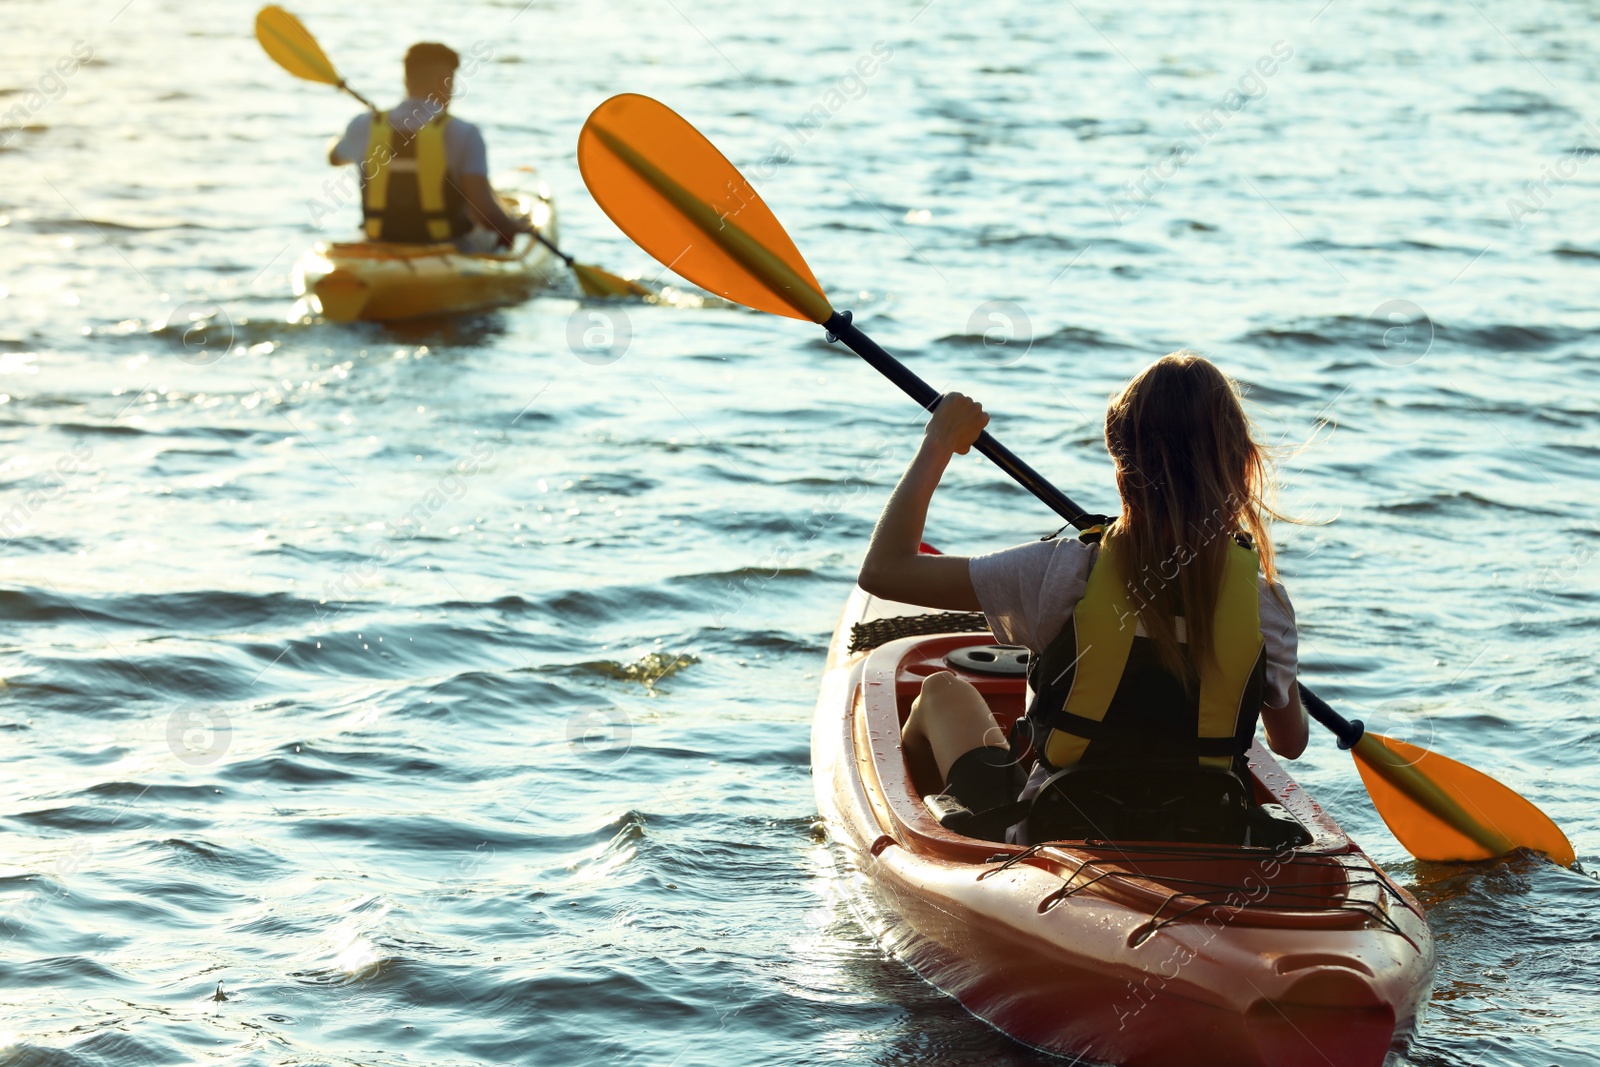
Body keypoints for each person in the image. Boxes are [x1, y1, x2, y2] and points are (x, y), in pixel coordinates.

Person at [858, 351, 1308, 841]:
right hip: (1208, 833)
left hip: (1057, 830)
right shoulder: (1267, 605)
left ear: (1120, 460)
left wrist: (938, 442)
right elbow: (1289, 742)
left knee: (940, 692)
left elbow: (885, 571)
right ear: (1243, 465)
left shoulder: (1060, 571)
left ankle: (933, 841)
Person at [327, 42, 528, 252]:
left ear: (406, 80)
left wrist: (345, 135)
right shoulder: (464, 133)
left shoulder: (363, 125)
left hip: (380, 242)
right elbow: (485, 214)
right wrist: (516, 227)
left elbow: (333, 157)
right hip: (449, 248)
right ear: (445, 82)